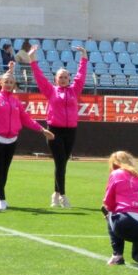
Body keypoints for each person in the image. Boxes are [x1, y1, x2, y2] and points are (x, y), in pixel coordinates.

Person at [0, 70, 55, 210]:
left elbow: (26, 119)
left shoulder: (16, 101)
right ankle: (1, 197)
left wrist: (42, 130)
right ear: (1, 83)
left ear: (14, 84)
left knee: (5, 170)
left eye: (11, 82)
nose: (8, 84)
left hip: (12, 140)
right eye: (6, 82)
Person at [29, 44, 89, 208]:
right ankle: (63, 196)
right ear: (55, 79)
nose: (63, 79)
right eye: (60, 77)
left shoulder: (74, 90)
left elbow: (81, 76)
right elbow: (39, 77)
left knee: (62, 163)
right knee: (61, 162)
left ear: (69, 79)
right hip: (54, 131)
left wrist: (84, 57)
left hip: (71, 131)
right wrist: (32, 59)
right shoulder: (50, 91)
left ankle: (55, 194)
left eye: (65, 77)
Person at [102, 151, 138, 268]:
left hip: (129, 222)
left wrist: (109, 216)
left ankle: (117, 255)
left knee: (110, 213)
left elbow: (108, 203)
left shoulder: (116, 173)